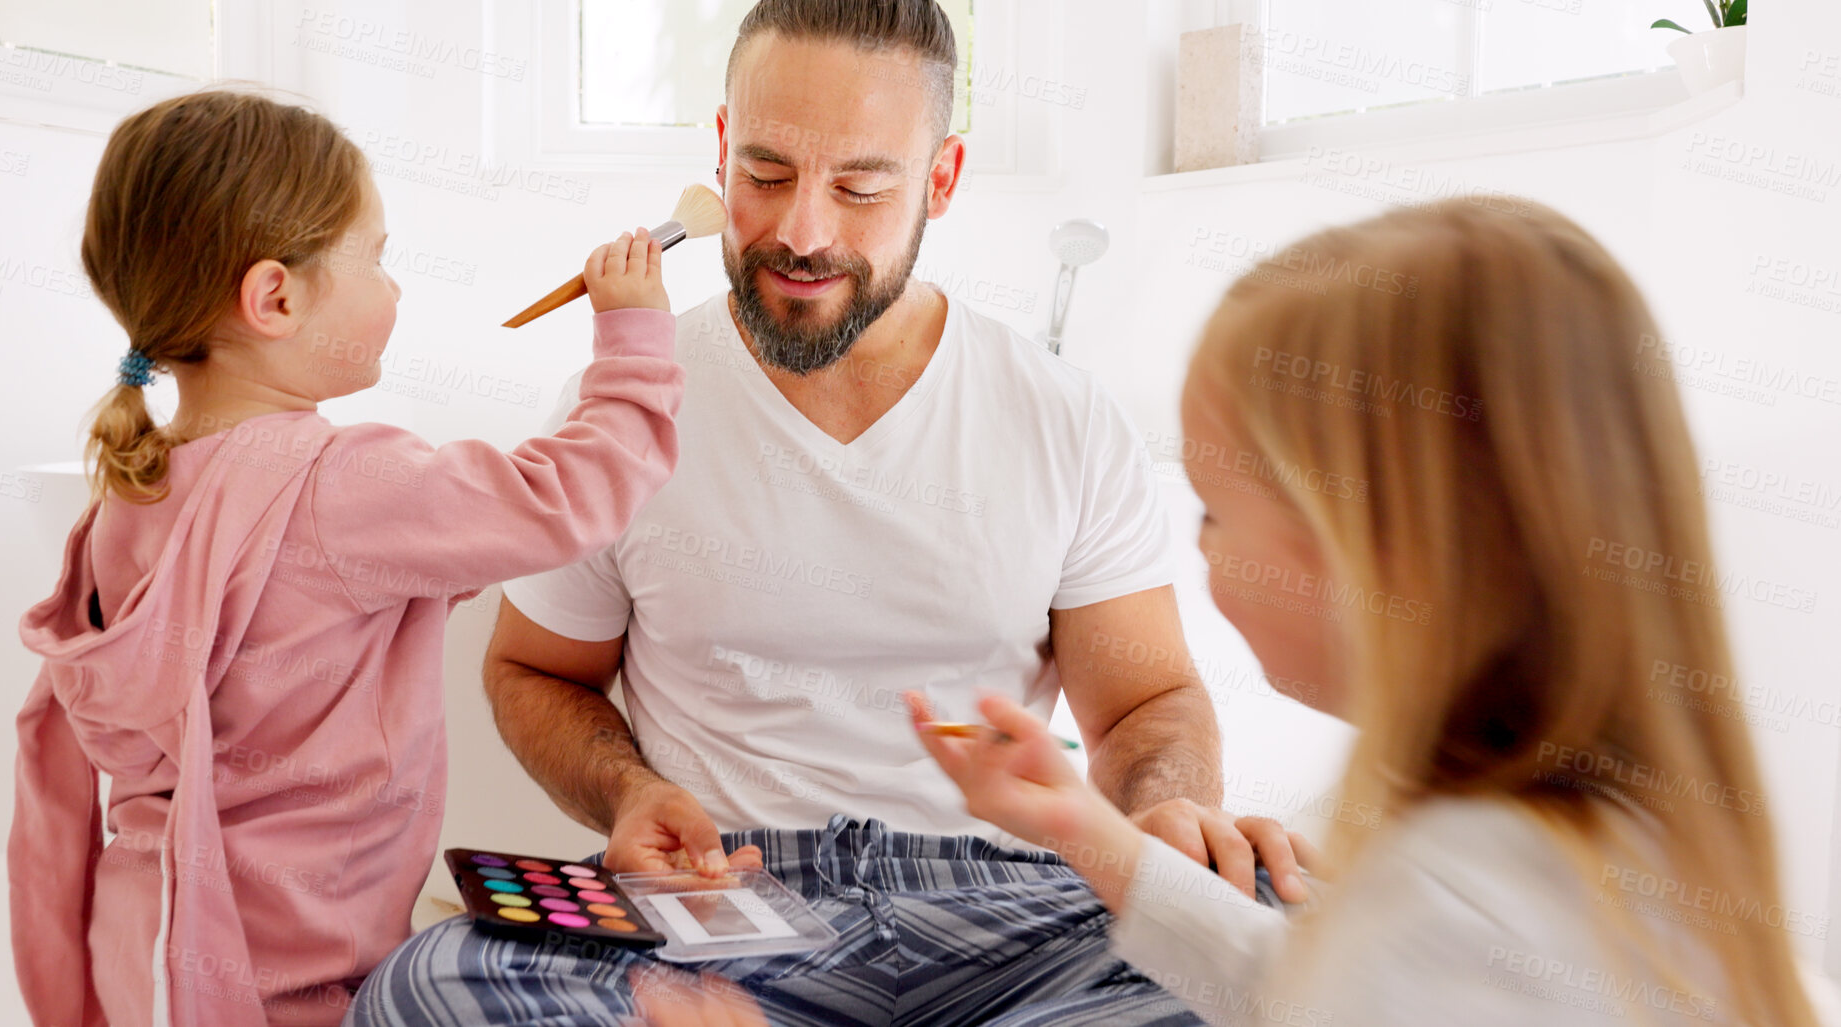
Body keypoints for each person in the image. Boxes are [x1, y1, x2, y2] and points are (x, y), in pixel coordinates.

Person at [347, 2, 1305, 1025]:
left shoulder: (1059, 416)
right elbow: (534, 668)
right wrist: (627, 791)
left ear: (940, 177)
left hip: (1012, 911)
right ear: (718, 153)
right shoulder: (619, 416)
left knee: (1269, 955)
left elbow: (1146, 701)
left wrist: (1165, 809)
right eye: (765, 175)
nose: (802, 232)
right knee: (423, 991)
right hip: (720, 900)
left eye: (859, 186)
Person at [904, 199, 1833, 1026]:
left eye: (1220, 509)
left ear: (1373, 547)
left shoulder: (1441, 904)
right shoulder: (1599, 841)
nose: (1200, 546)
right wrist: (1084, 827)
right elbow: (1305, 989)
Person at [10, 88, 684, 1026]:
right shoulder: (344, 480)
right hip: (291, 967)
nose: (394, 287)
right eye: (376, 257)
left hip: (158, 929)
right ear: (275, 297)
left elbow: (299, 612)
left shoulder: (134, 489)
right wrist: (635, 337)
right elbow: (568, 500)